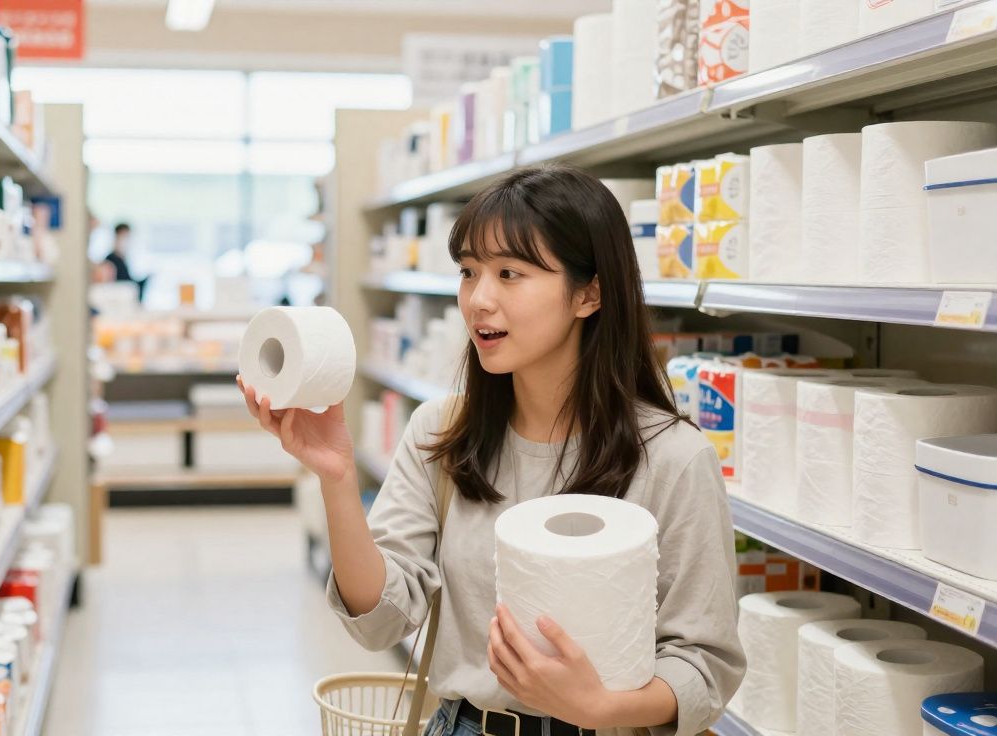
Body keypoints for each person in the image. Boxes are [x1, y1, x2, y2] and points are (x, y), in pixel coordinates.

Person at [238, 165, 743, 736]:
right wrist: (336, 478)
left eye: (510, 273)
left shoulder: (674, 459)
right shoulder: (441, 432)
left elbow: (705, 664)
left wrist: (600, 708)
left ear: (589, 293)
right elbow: (380, 622)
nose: (478, 299)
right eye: (468, 271)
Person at [103, 222, 146, 297]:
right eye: (124, 236)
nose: (126, 240)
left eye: (128, 237)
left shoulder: (123, 259)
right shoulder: (111, 260)